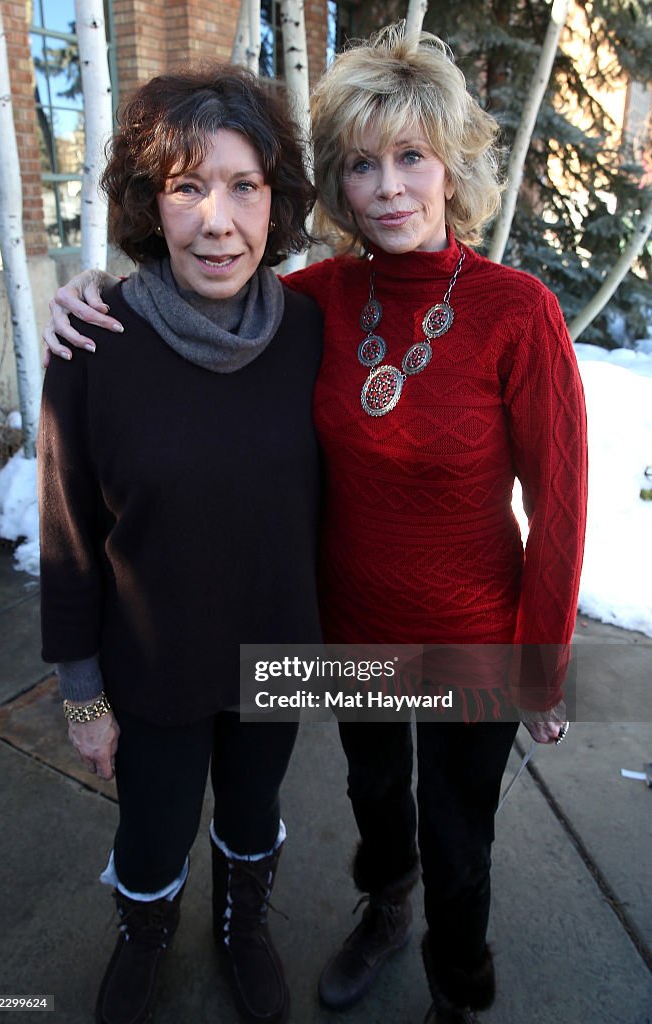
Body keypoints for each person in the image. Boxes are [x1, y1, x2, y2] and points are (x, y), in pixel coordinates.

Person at [43, 25, 588, 1024]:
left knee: (459, 841)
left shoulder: (518, 311)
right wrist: (85, 297)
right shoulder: (320, 300)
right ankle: (382, 913)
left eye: (409, 158)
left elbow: (555, 505)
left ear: (449, 164)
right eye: (360, 165)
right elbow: (198, 301)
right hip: (347, 632)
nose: (386, 188)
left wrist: (541, 661)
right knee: (376, 808)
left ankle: (457, 991)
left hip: (469, 636)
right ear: (337, 184)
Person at [38, 64, 324, 1024]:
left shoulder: (311, 335)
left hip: (278, 656)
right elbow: (70, 529)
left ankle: (244, 924)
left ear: (276, 202)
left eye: (243, 186)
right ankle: (145, 935)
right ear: (147, 203)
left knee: (251, 819)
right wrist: (82, 698)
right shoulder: (95, 344)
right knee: (154, 835)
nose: (217, 221)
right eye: (185, 186)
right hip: (152, 666)